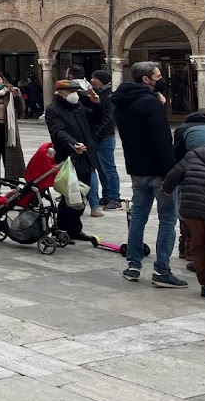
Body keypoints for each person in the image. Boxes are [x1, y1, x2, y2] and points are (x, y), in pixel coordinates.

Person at [113, 61, 187, 288]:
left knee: (138, 216)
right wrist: (170, 172)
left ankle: (133, 265)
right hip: (158, 169)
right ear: (146, 79)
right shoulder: (149, 104)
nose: (161, 78)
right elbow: (161, 140)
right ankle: (162, 270)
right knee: (167, 218)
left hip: (137, 169)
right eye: (157, 75)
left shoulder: (122, 103)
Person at [163, 138, 205, 301]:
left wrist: (166, 189)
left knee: (198, 246)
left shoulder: (196, 154)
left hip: (193, 210)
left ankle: (204, 285)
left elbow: (174, 174)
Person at [45, 79, 102, 243]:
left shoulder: (77, 106)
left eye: (76, 91)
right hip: (69, 158)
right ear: (61, 92)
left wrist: (96, 103)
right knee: (69, 195)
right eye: (71, 92)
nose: (75, 95)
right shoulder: (53, 110)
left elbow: (95, 119)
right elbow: (58, 132)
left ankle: (75, 229)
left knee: (82, 194)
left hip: (86, 156)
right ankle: (63, 229)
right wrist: (72, 144)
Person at [172, 112, 205, 271]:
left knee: (187, 208)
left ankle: (187, 250)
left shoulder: (183, 130)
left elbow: (176, 158)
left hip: (192, 175)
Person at [90, 69, 123, 211]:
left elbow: (110, 119)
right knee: (101, 169)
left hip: (105, 137)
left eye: (94, 77)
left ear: (101, 79)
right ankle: (107, 194)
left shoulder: (109, 96)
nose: (91, 80)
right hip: (98, 136)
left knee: (109, 168)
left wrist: (99, 134)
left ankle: (115, 198)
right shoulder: (99, 93)